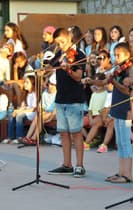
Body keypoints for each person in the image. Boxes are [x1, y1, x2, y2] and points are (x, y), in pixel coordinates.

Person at [47, 28, 86, 178]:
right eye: (57, 43)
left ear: (69, 38)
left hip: (74, 99)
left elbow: (78, 77)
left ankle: (80, 165)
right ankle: (67, 164)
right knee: (63, 133)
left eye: (62, 42)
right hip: (61, 97)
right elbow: (50, 67)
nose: (60, 45)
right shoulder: (60, 54)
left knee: (76, 132)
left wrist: (68, 69)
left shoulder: (79, 55)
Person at [103, 42, 133, 183]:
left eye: (119, 55)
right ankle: (121, 171)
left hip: (126, 110)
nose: (116, 58)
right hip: (117, 108)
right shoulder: (118, 69)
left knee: (125, 142)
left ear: (128, 55)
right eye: (115, 55)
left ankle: (127, 174)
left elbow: (126, 90)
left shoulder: (130, 70)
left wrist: (114, 82)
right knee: (119, 141)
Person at [21, 73, 57, 145]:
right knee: (38, 116)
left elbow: (56, 110)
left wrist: (50, 116)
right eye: (49, 84)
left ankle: (34, 138)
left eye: (52, 85)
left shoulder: (58, 94)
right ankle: (28, 137)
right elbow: (40, 106)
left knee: (40, 117)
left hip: (55, 114)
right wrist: (41, 112)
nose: (50, 86)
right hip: (45, 113)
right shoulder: (45, 93)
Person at [2, 74, 36, 144]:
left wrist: (20, 111)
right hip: (26, 111)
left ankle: (19, 137)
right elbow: (24, 106)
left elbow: (34, 108)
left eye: (27, 82)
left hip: (32, 113)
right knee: (12, 114)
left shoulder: (34, 94)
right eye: (24, 82)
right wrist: (17, 110)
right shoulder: (25, 93)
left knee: (19, 116)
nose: (25, 84)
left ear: (32, 84)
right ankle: (10, 137)